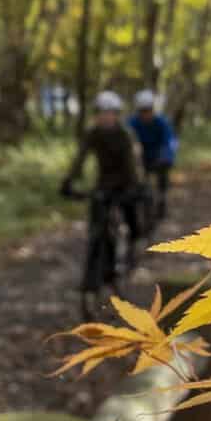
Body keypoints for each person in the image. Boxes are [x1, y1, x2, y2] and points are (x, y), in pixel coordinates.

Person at [61, 90, 146, 281]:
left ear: (116, 115)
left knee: (132, 219)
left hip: (126, 184)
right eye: (101, 113)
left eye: (110, 113)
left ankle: (133, 248)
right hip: (103, 185)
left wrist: (137, 185)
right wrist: (68, 180)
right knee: (97, 227)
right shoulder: (93, 133)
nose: (105, 117)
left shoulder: (125, 135)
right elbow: (80, 159)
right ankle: (99, 266)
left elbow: (134, 162)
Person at [127, 89, 177, 221]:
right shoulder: (132, 123)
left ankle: (162, 198)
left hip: (158, 157)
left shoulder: (161, 122)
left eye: (148, 110)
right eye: (142, 110)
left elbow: (170, 141)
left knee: (162, 177)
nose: (146, 114)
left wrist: (167, 155)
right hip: (138, 159)